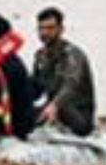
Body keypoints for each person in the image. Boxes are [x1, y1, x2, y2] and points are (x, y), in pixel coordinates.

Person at [32, 7, 96, 137]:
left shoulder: (73, 55)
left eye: (50, 28)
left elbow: (71, 84)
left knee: (61, 107)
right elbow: (34, 88)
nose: (44, 33)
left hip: (77, 114)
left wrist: (55, 105)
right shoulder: (40, 56)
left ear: (61, 29)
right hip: (50, 109)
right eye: (41, 28)